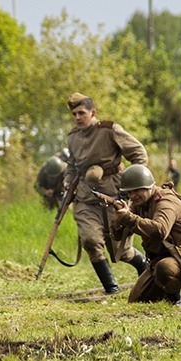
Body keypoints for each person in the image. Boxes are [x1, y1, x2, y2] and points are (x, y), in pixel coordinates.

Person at [63, 93, 149, 295]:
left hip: (114, 197)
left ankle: (146, 270)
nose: (77, 117)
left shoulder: (110, 130)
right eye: (74, 114)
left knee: (122, 251)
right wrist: (67, 180)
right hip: (86, 198)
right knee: (90, 240)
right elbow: (72, 165)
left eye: (81, 113)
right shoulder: (72, 137)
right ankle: (111, 289)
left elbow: (139, 154)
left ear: (92, 112)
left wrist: (131, 186)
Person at [106, 164, 181, 306]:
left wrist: (129, 218)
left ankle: (175, 300)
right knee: (137, 300)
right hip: (159, 261)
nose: (133, 196)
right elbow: (117, 236)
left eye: (137, 190)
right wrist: (119, 216)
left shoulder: (165, 202)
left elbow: (159, 231)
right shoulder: (139, 204)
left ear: (149, 186)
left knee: (165, 269)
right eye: (129, 192)